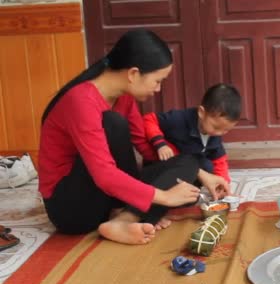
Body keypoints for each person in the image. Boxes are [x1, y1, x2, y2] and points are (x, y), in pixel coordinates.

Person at [39, 29, 203, 245]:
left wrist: (197, 172)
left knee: (189, 162)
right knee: (112, 123)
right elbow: (104, 175)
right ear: (133, 74)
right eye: (157, 81)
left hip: (108, 197)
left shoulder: (123, 96)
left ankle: (125, 218)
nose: (158, 89)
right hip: (72, 209)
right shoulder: (80, 101)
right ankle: (135, 213)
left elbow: (144, 147)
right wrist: (164, 198)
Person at [142, 83, 241, 196]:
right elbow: (148, 120)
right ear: (201, 112)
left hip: (189, 166)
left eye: (225, 130)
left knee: (207, 165)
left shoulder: (214, 136)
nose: (219, 133)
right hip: (163, 165)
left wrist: (222, 184)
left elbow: (219, 160)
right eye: (216, 127)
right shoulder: (178, 119)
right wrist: (160, 144)